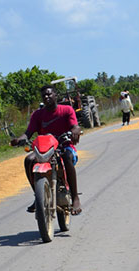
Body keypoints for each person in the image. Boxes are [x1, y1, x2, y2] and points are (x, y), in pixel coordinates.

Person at [11, 85, 82, 215]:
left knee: (67, 158)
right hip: (44, 149)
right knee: (29, 160)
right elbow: (28, 133)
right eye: (44, 95)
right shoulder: (37, 115)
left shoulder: (67, 110)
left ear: (56, 95)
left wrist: (75, 132)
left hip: (64, 146)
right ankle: (38, 196)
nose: (46, 97)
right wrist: (18, 140)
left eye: (49, 94)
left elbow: (75, 126)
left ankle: (75, 197)